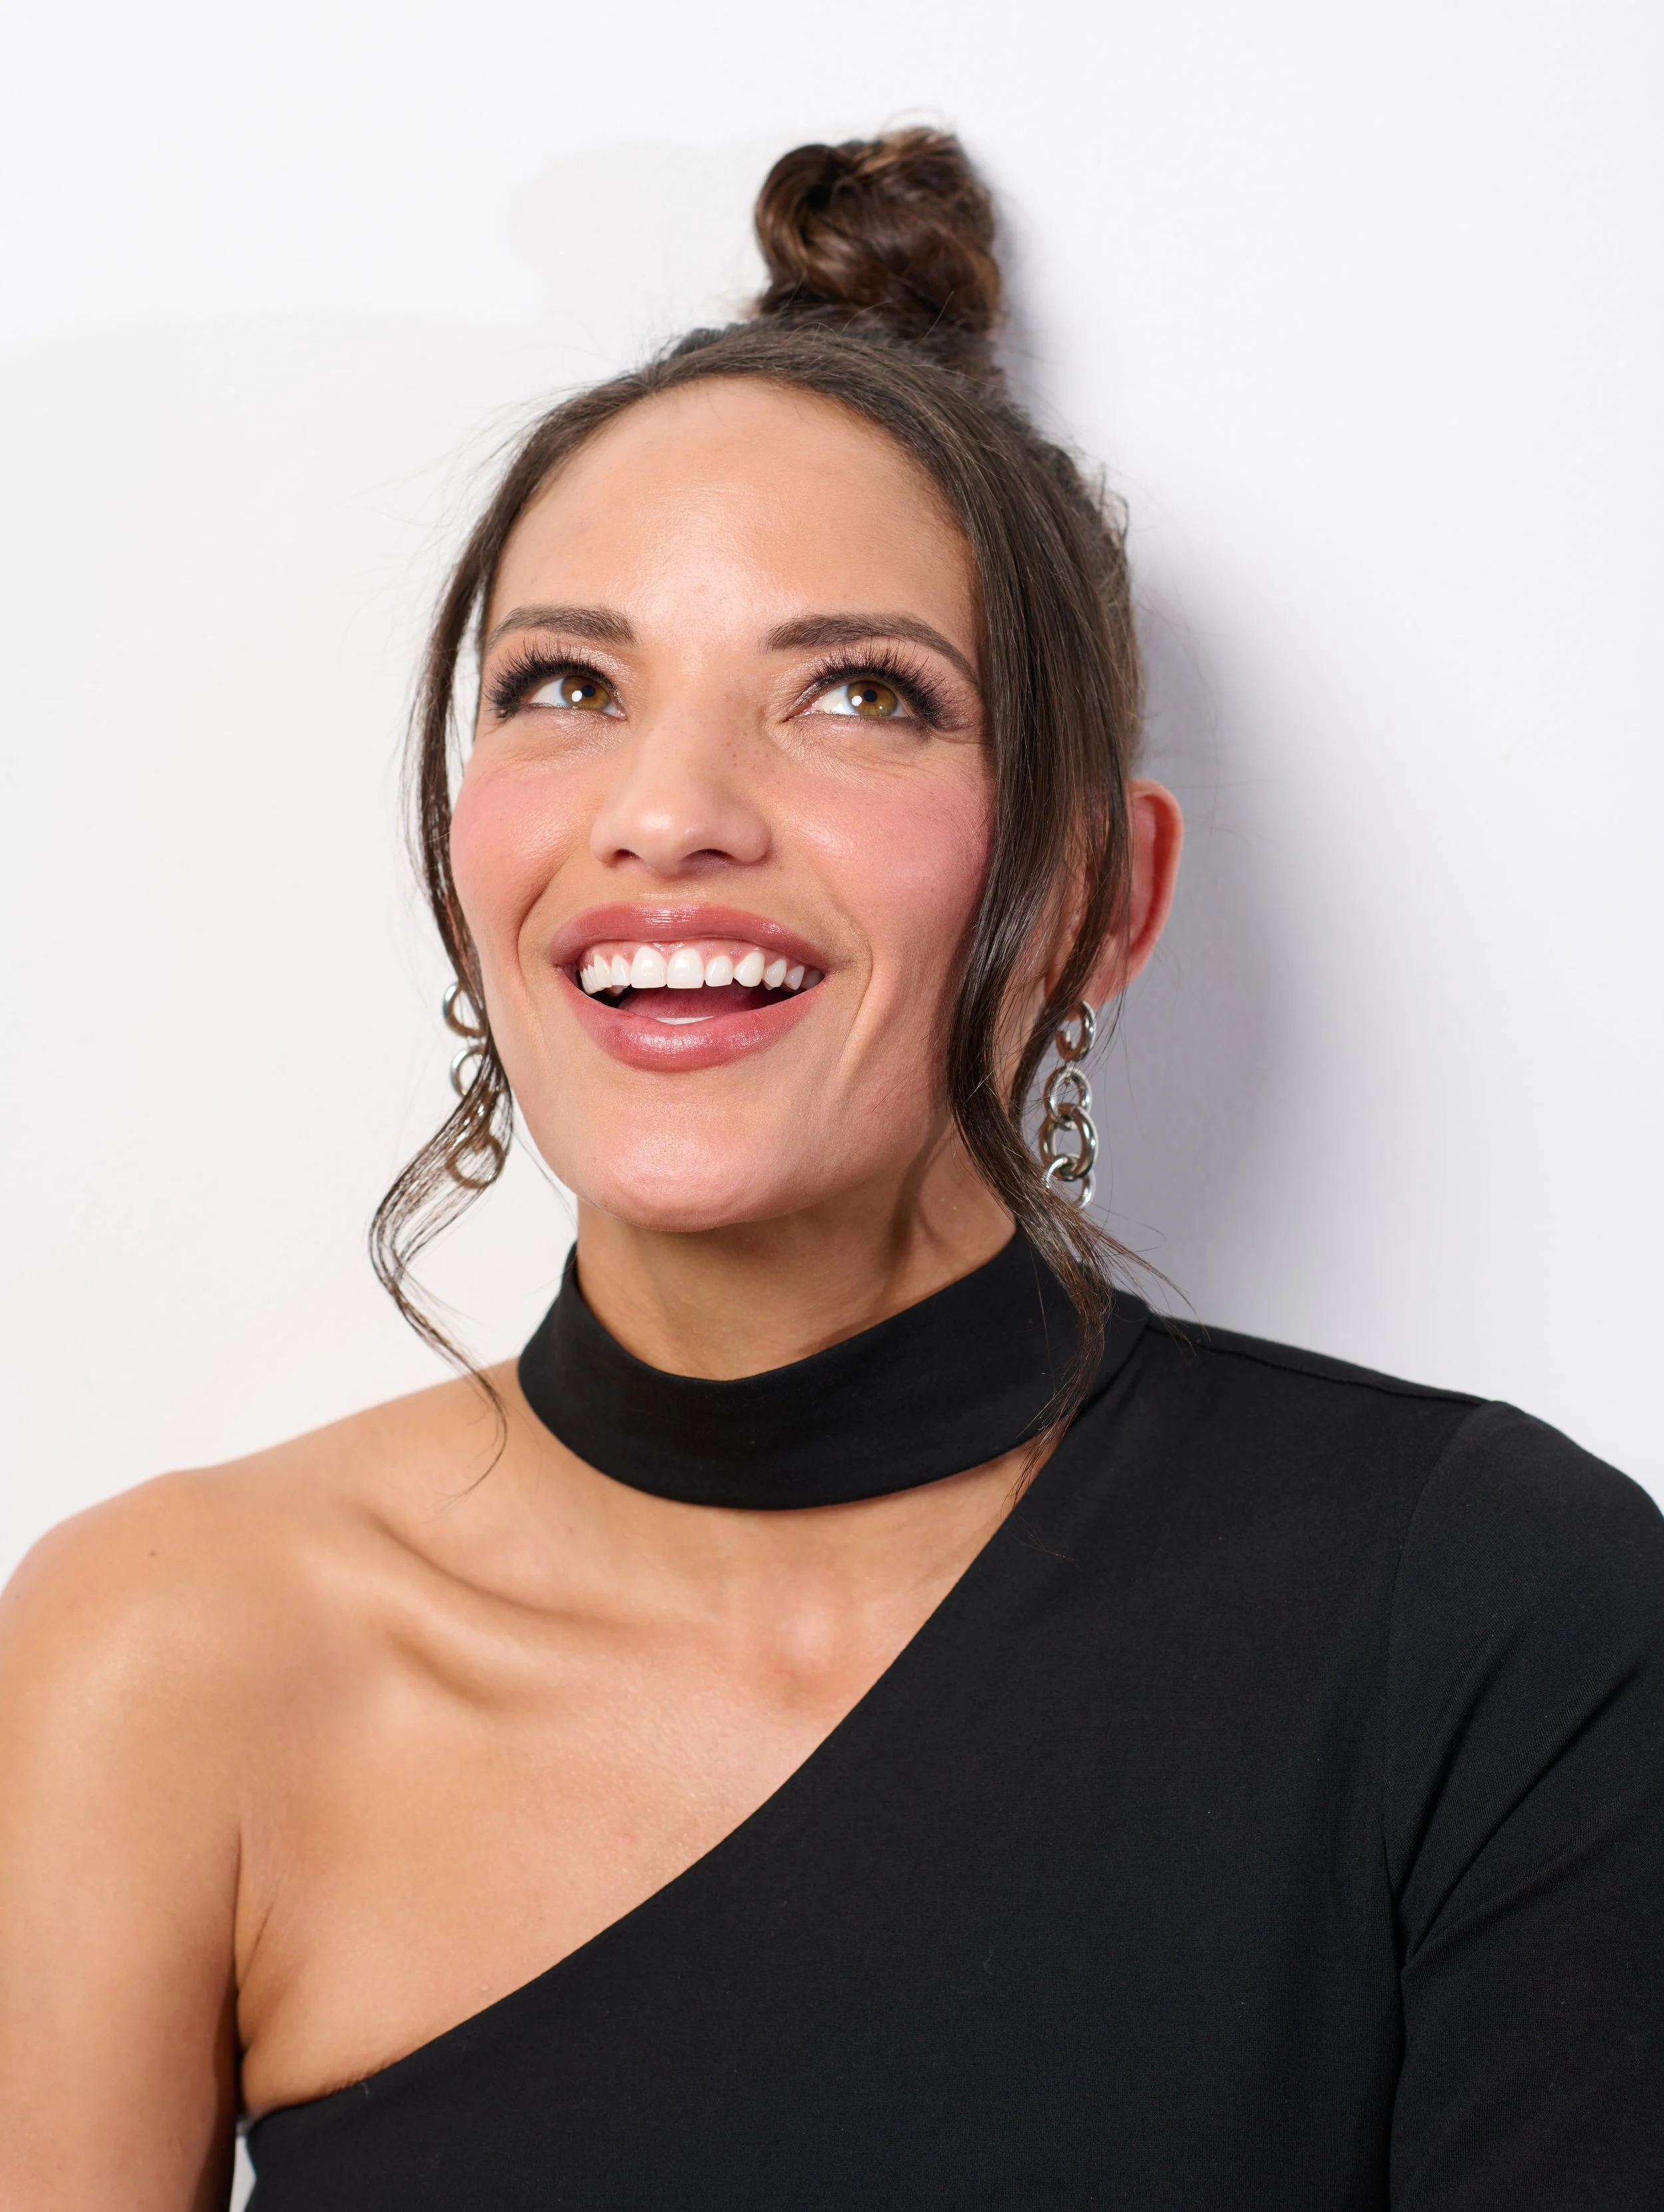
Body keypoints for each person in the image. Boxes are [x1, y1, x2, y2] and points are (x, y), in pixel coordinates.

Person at [0, 129, 1659, 2212]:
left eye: (857, 694)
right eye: (565, 688)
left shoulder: (1487, 1608)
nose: (666, 811)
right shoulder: (160, 1654)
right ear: (464, 840)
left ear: (1094, 895)